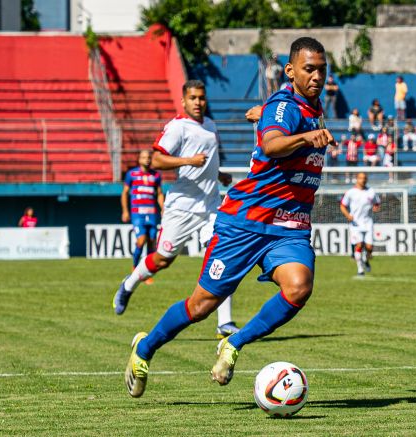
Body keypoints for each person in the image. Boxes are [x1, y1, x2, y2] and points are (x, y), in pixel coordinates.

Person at [123, 37, 335, 398]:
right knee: (201, 306)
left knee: (299, 287)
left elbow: (274, 121)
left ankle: (233, 343)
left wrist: (268, 113)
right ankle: (144, 349)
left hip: (288, 228)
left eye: (321, 69)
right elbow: (272, 143)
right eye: (308, 68)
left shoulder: (303, 107)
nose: (316, 75)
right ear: (290, 71)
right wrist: (303, 136)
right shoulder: (286, 106)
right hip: (244, 222)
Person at [112, 80, 239, 341]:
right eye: (192, 98)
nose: (197, 102)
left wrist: (220, 174)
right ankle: (128, 284)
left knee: (223, 256)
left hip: (211, 204)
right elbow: (156, 159)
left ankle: (224, 323)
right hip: (182, 206)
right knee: (162, 259)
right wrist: (187, 161)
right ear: (183, 101)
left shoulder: (211, 126)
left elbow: (208, 164)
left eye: (201, 97)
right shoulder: (177, 127)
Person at [121, 150, 164, 273]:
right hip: (137, 213)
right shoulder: (132, 174)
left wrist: (163, 208)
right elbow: (124, 193)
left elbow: (159, 194)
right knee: (141, 240)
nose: (147, 159)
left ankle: (147, 271)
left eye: (149, 157)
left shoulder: (155, 175)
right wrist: (125, 211)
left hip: (151, 213)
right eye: (144, 157)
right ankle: (135, 267)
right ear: (139, 159)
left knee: (151, 242)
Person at [340, 172, 380, 276]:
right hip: (355, 224)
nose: (363, 180)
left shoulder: (371, 191)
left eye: (365, 178)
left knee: (369, 248)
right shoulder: (350, 192)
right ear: (356, 179)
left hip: (368, 223)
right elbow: (342, 206)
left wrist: (376, 207)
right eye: (361, 178)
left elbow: (377, 202)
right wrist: (348, 215)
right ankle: (360, 270)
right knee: (359, 244)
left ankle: (365, 260)